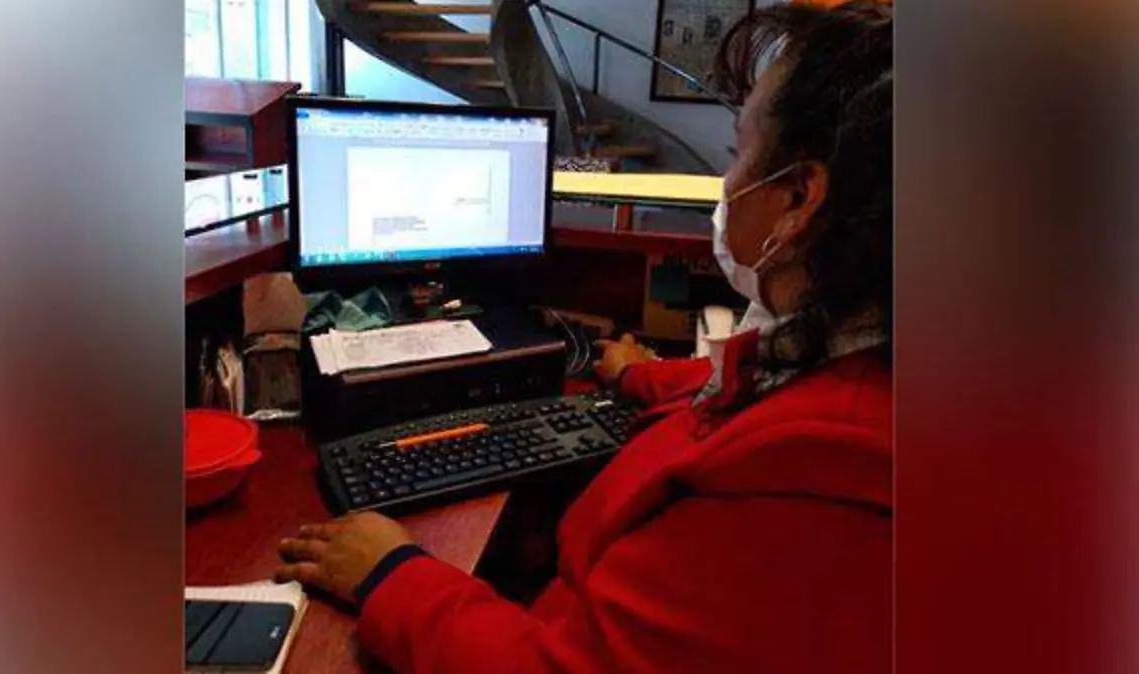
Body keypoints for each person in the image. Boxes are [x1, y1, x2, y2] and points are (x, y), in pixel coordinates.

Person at [273, 2, 893, 672]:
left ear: (798, 199)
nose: (726, 183)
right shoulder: (861, 364)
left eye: (737, 153)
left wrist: (390, 572)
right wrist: (637, 374)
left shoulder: (806, 483)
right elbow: (766, 382)